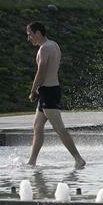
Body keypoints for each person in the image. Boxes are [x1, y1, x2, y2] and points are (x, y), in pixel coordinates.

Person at [26, 21, 86, 169]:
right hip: (51, 89)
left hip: (47, 91)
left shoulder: (44, 49)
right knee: (37, 126)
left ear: (38, 33)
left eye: (30, 34)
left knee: (59, 128)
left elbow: (41, 72)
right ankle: (32, 162)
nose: (29, 38)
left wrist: (33, 90)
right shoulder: (54, 45)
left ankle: (78, 159)